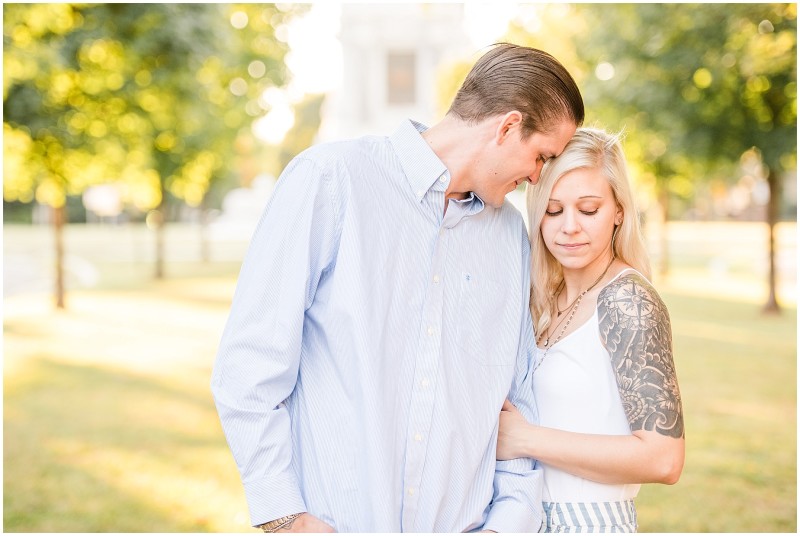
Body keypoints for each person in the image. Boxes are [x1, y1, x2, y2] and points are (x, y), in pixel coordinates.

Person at [211, 43, 584, 533]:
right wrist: (287, 519)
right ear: (508, 126)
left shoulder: (509, 235)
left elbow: (517, 395)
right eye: (541, 157)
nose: (538, 177)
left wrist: (506, 526)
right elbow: (249, 367)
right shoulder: (330, 180)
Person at [497, 128, 685, 532]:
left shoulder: (628, 301)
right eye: (552, 210)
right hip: (523, 518)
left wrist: (524, 440)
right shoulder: (543, 297)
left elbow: (663, 459)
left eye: (588, 209)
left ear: (618, 211)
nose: (569, 227)